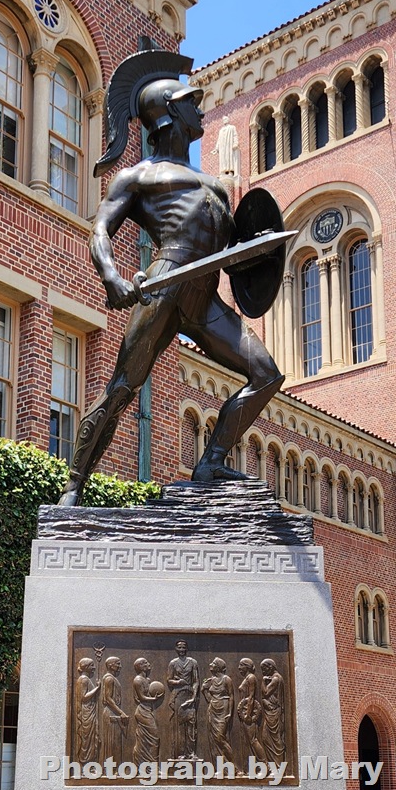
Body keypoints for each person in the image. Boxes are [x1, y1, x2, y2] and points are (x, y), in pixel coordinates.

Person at [58, 51, 284, 506]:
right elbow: (99, 230)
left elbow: (232, 254)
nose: (199, 109)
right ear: (168, 114)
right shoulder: (138, 176)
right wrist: (112, 277)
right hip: (164, 285)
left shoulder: (214, 185)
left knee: (265, 374)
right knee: (122, 389)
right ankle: (73, 488)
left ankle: (211, 462)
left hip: (205, 295)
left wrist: (257, 249)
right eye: (190, 103)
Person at [166, 639, 200, 759]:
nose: (181, 649)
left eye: (183, 647)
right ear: (176, 649)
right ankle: (181, 753)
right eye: (179, 647)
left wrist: (194, 697)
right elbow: (169, 680)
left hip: (189, 695)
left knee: (191, 725)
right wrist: (178, 682)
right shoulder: (173, 663)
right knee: (180, 726)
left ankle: (191, 753)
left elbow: (196, 681)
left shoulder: (193, 662)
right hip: (178, 696)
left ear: (187, 648)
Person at [201, 657, 235, 763]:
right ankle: (218, 765)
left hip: (223, 709)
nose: (210, 665)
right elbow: (210, 699)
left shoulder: (226, 679)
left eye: (213, 663)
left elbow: (231, 696)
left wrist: (230, 712)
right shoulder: (211, 680)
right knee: (213, 739)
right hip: (212, 709)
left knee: (220, 738)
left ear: (218, 667)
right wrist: (204, 690)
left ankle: (232, 765)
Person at [236, 658, 266, 773]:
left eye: (241, 665)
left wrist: (248, 715)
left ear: (247, 667)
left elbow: (251, 697)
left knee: (253, 740)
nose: (239, 668)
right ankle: (249, 768)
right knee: (246, 741)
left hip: (249, 715)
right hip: (244, 714)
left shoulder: (251, 678)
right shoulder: (247, 678)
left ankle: (265, 765)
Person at [132, 658, 162, 765]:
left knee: (147, 739)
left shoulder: (147, 680)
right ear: (139, 667)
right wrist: (154, 699)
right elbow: (141, 697)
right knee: (154, 738)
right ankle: (149, 765)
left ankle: (150, 765)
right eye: (144, 663)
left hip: (148, 710)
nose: (148, 664)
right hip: (142, 711)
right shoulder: (137, 680)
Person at [73, 657, 101, 765]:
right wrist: (97, 688)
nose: (94, 668)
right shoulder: (83, 679)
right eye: (92, 665)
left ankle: (91, 763)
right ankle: (85, 762)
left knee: (92, 738)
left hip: (90, 712)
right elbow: (84, 697)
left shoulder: (86, 679)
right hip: (86, 714)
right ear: (86, 667)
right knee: (87, 739)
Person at [101, 656, 128, 764]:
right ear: (111, 665)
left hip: (114, 711)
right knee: (111, 742)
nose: (120, 666)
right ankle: (110, 768)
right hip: (111, 712)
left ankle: (116, 767)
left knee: (116, 742)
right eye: (118, 663)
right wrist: (121, 712)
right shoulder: (109, 679)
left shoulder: (112, 678)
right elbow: (108, 698)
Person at [260, 658, 286, 766]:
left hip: (274, 712)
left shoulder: (275, 679)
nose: (263, 672)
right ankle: (272, 765)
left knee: (275, 738)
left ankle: (279, 766)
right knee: (266, 738)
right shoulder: (275, 678)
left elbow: (266, 692)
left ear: (270, 667)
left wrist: (263, 681)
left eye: (264, 669)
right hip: (270, 712)